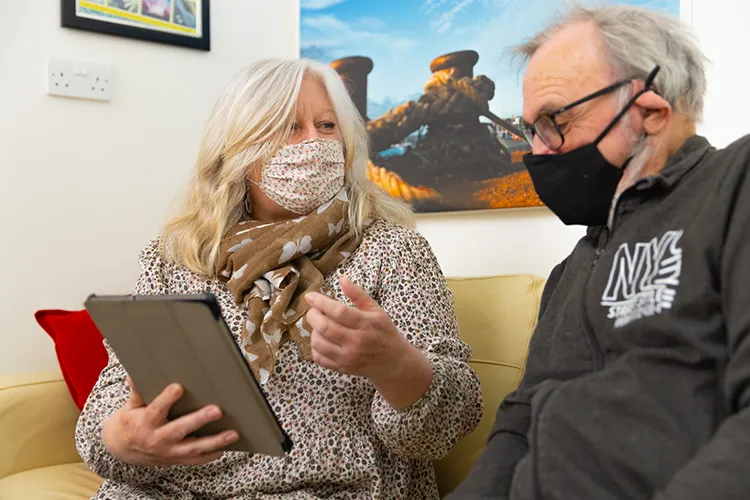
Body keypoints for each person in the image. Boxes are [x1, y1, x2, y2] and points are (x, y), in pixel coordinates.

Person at [76, 58, 483, 500]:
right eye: (289, 127)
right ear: (237, 150)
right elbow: (115, 395)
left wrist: (396, 366)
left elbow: (442, 430)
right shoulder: (177, 257)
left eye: (327, 126)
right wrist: (122, 437)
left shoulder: (393, 251)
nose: (314, 142)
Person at [449, 5, 750, 500]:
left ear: (651, 111)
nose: (538, 151)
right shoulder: (571, 269)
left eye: (554, 120)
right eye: (529, 129)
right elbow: (518, 428)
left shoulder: (735, 187)